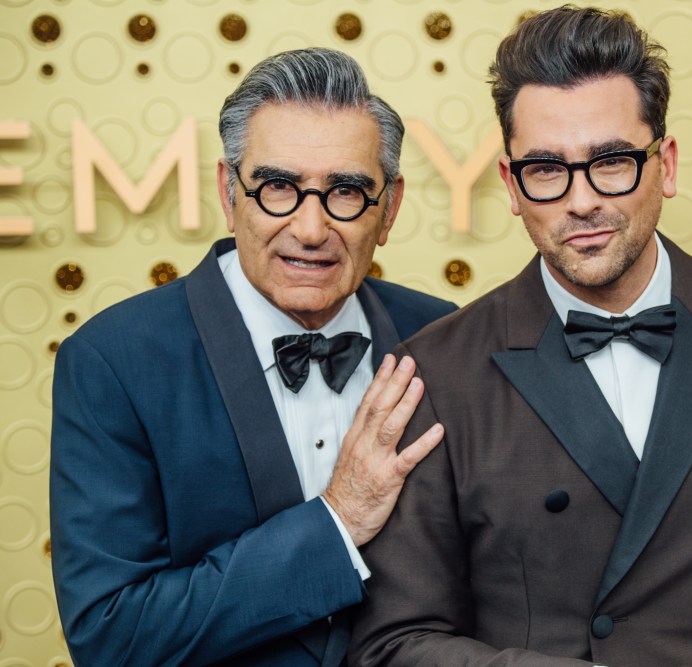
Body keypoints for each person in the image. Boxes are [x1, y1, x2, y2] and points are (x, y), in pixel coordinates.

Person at [349, 7, 692, 666]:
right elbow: (397, 640)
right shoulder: (435, 373)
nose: (581, 201)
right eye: (547, 169)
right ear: (512, 186)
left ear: (664, 164)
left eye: (611, 161)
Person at [49, 47, 456, 666]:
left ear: (390, 206)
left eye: (346, 191)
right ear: (228, 190)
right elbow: (111, 636)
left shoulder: (444, 337)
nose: (312, 228)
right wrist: (336, 522)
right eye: (277, 188)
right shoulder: (114, 362)